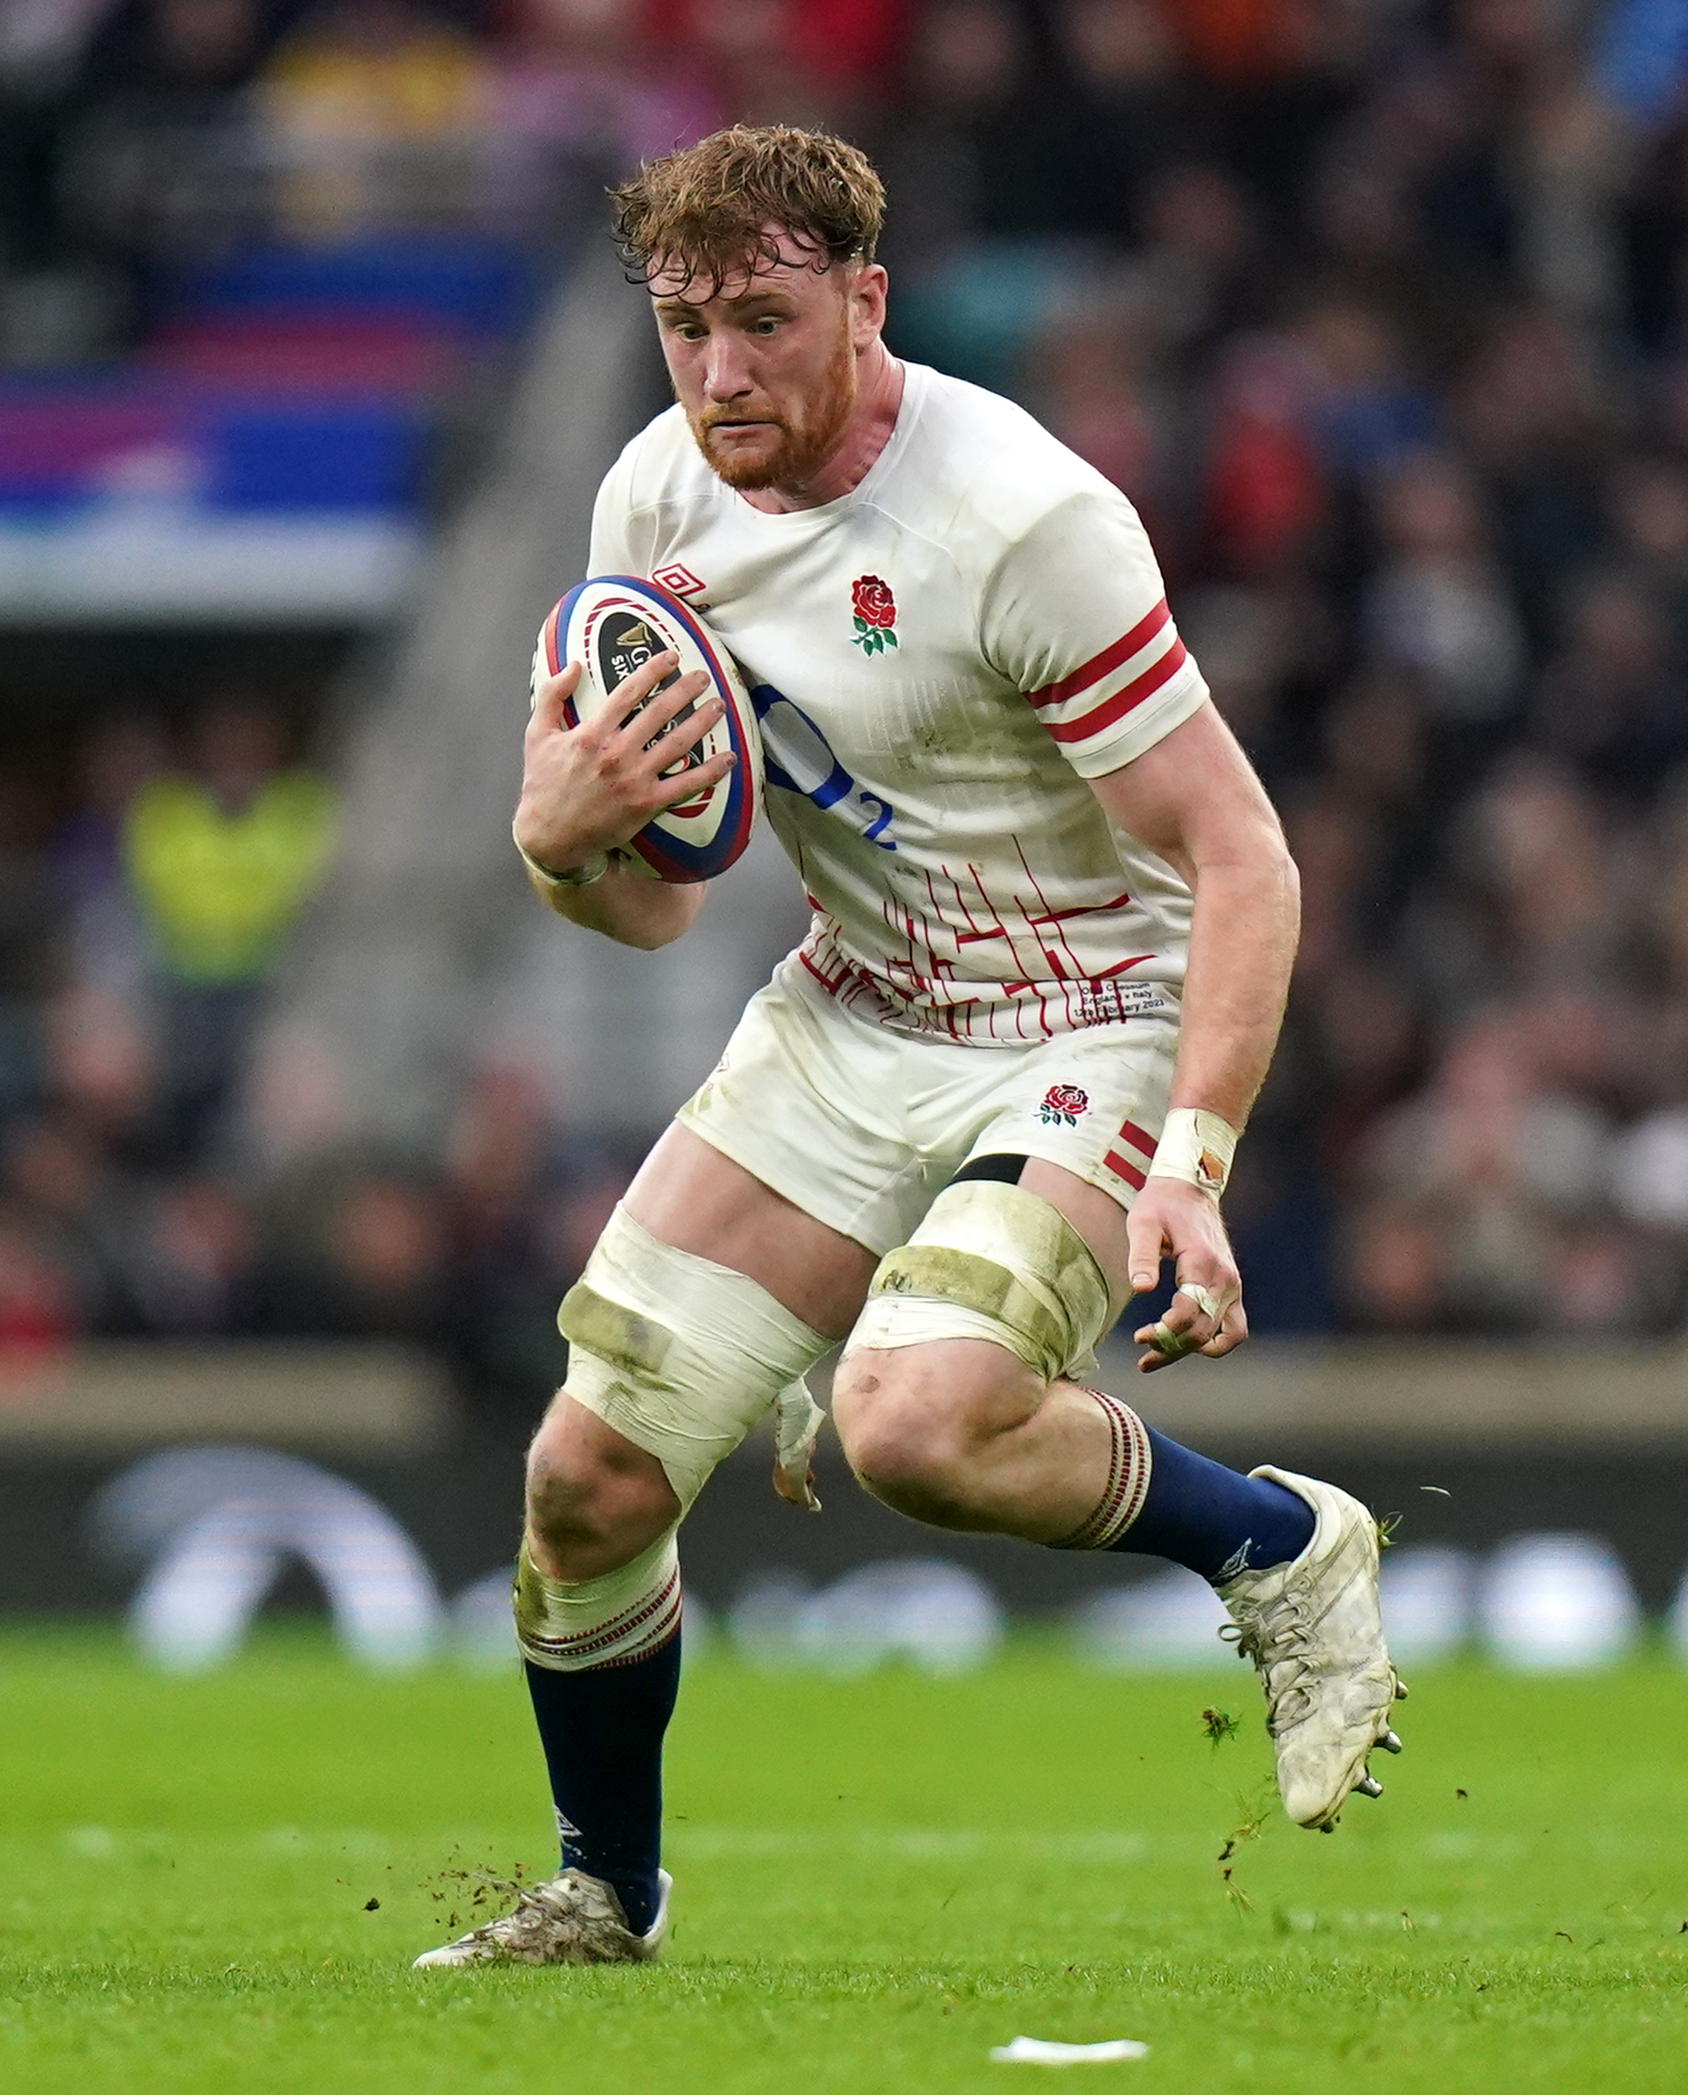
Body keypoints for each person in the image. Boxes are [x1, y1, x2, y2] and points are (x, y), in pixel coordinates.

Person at [415, 124, 1402, 1971]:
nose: (721, 373)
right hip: (856, 1008)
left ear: (867, 305)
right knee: (583, 1482)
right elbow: (652, 902)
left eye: (766, 323)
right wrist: (558, 843)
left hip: (1091, 1017)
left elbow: (1243, 851)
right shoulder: (652, 510)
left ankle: (1273, 1546)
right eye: (686, 326)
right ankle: (601, 1896)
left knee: (915, 1423)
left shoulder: (1021, 521)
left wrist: (1194, 1158)